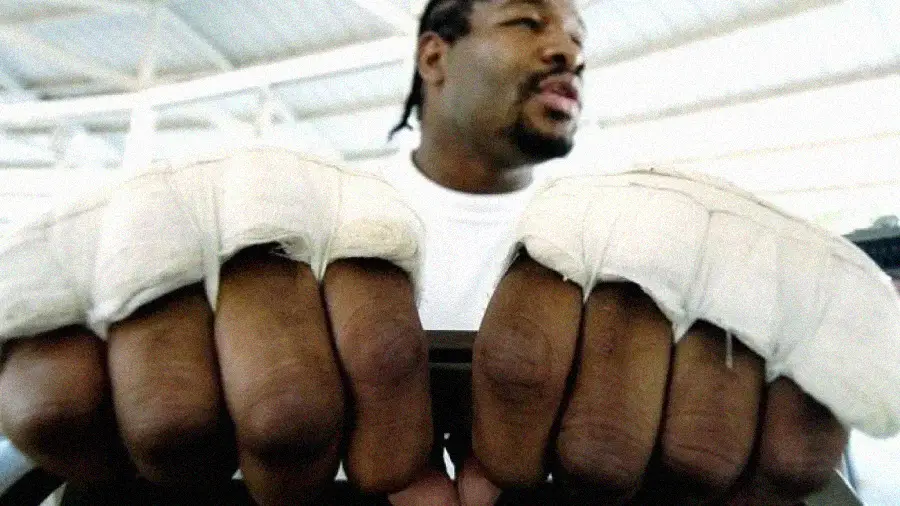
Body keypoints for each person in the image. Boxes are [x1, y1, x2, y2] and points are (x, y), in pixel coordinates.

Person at [0, 0, 878, 505]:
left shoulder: (646, 254)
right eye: (529, 20)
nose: (567, 50)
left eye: (579, 42)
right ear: (434, 54)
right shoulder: (295, 227)